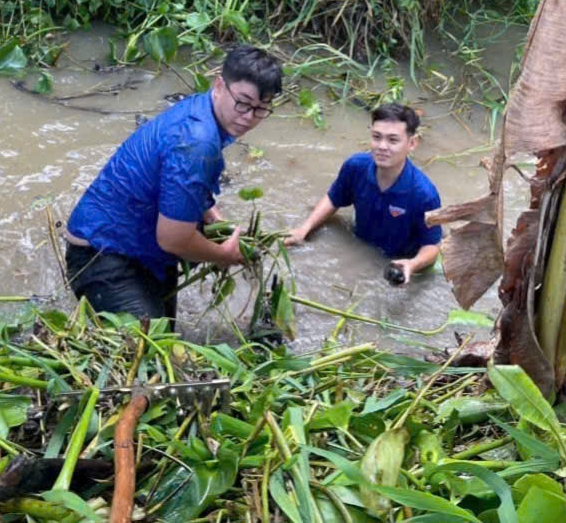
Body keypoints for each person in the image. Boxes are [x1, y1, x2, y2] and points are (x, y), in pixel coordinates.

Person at [64, 45, 282, 320]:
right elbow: (173, 239)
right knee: (152, 344)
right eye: (243, 103)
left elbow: (184, 185)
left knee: (167, 330)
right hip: (102, 255)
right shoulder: (197, 142)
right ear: (219, 86)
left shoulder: (201, 109)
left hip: (139, 248)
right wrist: (222, 254)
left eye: (260, 109)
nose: (248, 117)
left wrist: (216, 220)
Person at [285, 103, 442, 284]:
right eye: (376, 137)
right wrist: (304, 229)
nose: (382, 146)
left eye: (393, 140)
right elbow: (333, 199)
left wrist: (412, 265)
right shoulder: (355, 166)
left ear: (412, 143)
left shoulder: (424, 194)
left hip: (396, 259)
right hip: (359, 240)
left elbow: (432, 245)